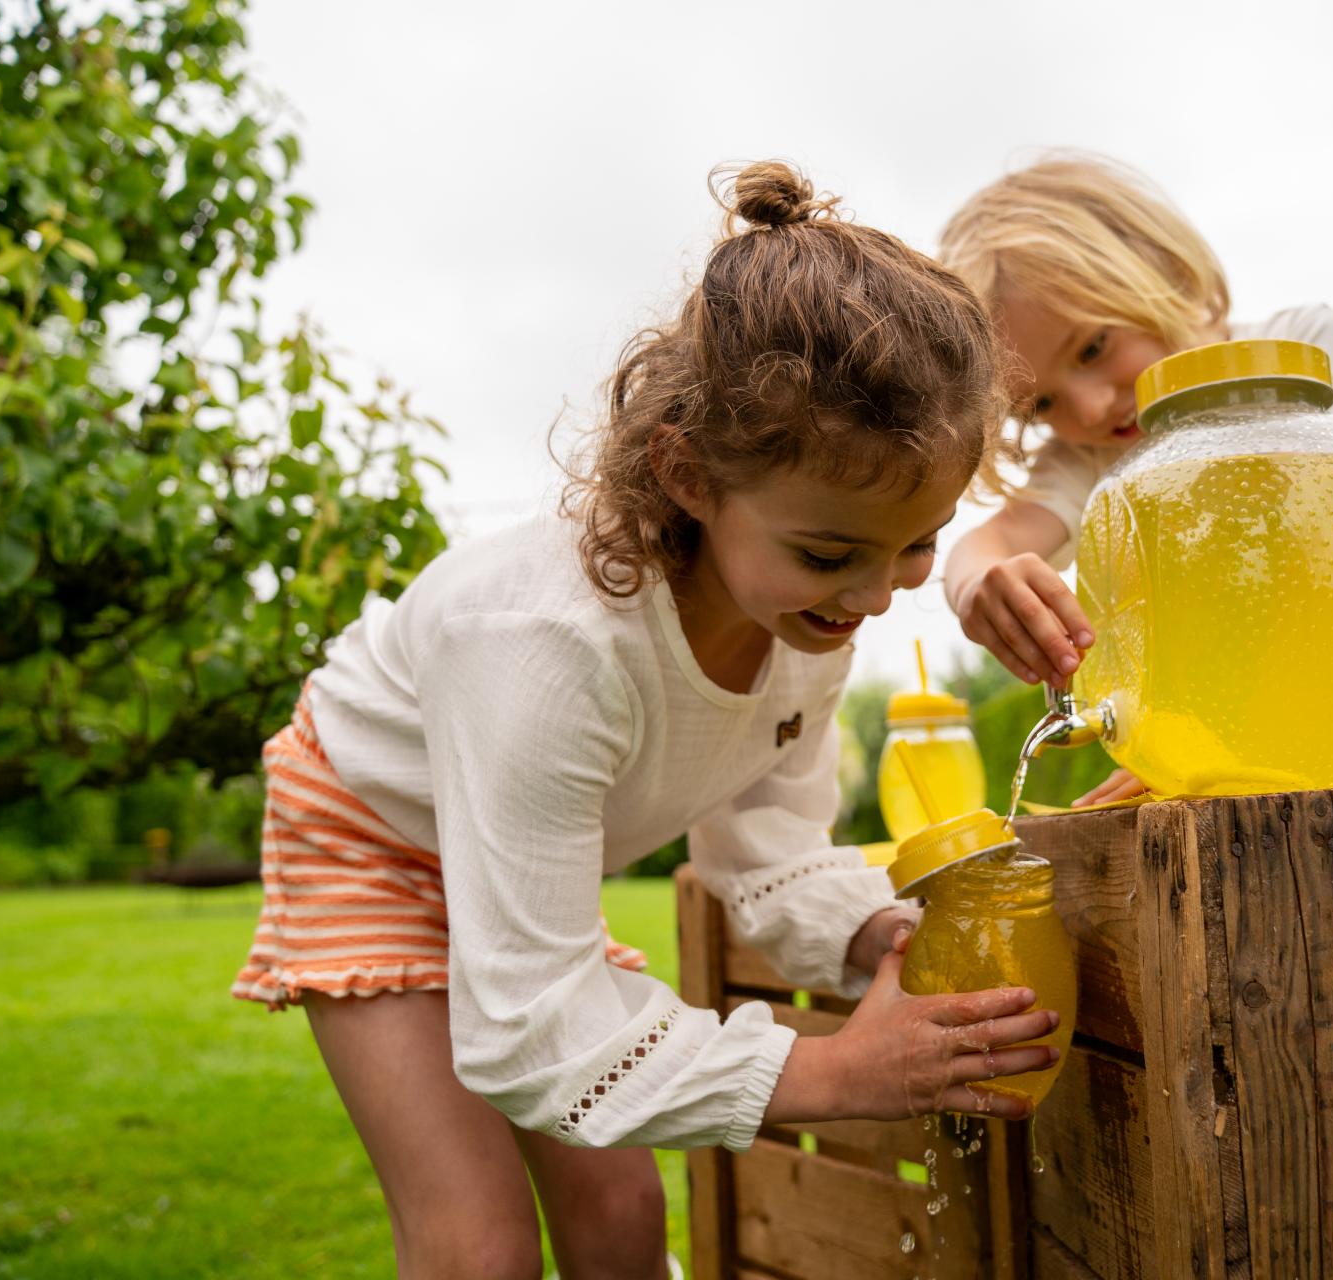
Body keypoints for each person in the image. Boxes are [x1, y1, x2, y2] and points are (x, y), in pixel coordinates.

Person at [231, 161, 1060, 1280]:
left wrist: (874, 933)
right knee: (479, 1247)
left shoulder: (803, 624)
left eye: (917, 544)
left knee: (621, 1215)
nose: (874, 598)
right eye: (829, 553)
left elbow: (765, 848)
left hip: (518, 854)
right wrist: (829, 1072)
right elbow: (534, 1028)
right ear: (686, 474)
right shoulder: (547, 647)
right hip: (372, 836)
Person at [938, 153, 1333, 1280]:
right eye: (1043, 402)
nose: (1092, 407)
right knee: (1286, 1174)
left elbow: (1320, 574)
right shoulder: (1094, 461)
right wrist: (979, 580)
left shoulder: (1299, 358)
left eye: (1095, 347)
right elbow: (988, 539)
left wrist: (1201, 743)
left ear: (1164, 269)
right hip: (1235, 873)